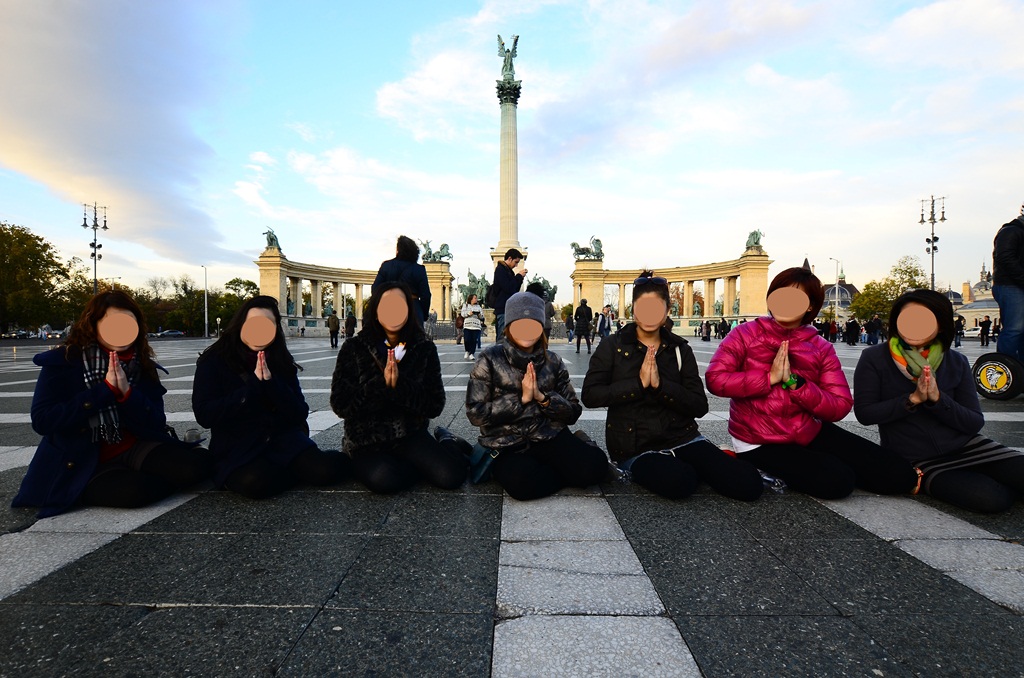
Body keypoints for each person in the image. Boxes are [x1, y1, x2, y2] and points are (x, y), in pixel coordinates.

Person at [705, 267, 917, 499]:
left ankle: (817, 464)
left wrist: (795, 383)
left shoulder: (820, 346)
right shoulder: (745, 334)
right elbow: (716, 380)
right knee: (838, 481)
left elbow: (840, 405)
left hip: (807, 430)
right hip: (759, 439)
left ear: (810, 306)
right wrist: (769, 378)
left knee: (900, 475)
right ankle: (751, 463)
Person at [13, 290, 212, 517]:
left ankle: (186, 456)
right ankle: (84, 486)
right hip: (84, 456)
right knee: (134, 493)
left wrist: (127, 395)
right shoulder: (64, 362)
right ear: (93, 325)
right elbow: (43, 421)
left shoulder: (143, 366)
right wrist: (104, 391)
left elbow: (156, 422)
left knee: (194, 470)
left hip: (134, 446)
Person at [582, 273, 763, 501]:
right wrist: (638, 385)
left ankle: (705, 461)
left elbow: (699, 405)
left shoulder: (680, 349)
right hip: (635, 446)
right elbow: (590, 395)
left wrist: (660, 387)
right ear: (632, 310)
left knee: (748, 485)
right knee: (679, 483)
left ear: (667, 310)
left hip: (683, 437)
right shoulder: (612, 346)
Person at [854, 290, 1024, 512]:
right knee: (991, 499)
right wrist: (912, 399)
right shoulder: (875, 358)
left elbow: (974, 422)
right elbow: (865, 414)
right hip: (918, 458)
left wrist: (937, 399)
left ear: (941, 325)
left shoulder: (956, 361)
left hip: (968, 447)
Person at [193, 296, 349, 499]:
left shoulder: (279, 358)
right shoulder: (213, 361)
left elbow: (300, 412)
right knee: (255, 483)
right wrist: (252, 389)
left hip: (282, 440)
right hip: (238, 446)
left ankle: (327, 462)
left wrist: (272, 384)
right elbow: (205, 415)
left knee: (325, 471)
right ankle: (293, 472)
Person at [466, 292, 607, 500]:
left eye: (532, 322)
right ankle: (560, 471)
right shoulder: (489, 359)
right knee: (522, 485)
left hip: (548, 434)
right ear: (509, 326)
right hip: (506, 442)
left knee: (595, 467)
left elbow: (574, 411)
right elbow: (475, 413)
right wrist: (520, 400)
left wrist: (543, 398)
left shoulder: (553, 361)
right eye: (519, 323)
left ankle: (562, 462)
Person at [330, 281, 467, 493]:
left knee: (451, 476)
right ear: (375, 311)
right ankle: (404, 467)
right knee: (384, 480)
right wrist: (380, 386)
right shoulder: (354, 348)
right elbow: (341, 404)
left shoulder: (423, 347)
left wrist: (400, 386)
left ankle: (447, 440)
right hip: (367, 437)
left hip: (409, 434)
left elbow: (434, 405)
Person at [373, 235, 431, 325]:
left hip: (389, 307)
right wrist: (423, 314)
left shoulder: (386, 266)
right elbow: (426, 295)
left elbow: (375, 289)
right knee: (416, 338)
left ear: (398, 250)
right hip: (413, 309)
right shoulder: (419, 269)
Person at [992, 204, 1024, 362]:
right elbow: (1005, 258)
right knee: (1014, 329)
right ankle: (1006, 367)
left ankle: (1019, 372)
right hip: (1010, 285)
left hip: (1017, 284)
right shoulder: (1011, 231)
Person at [492, 248, 527, 341]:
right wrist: (518, 276)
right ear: (510, 258)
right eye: (516, 262)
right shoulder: (500, 270)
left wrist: (520, 278)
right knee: (502, 337)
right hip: (503, 308)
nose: (516, 265)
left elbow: (514, 290)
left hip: (508, 308)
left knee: (508, 338)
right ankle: (499, 355)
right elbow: (508, 288)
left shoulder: (507, 271)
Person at [462, 293, 484, 361]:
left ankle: (472, 353)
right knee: (467, 339)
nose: (476, 299)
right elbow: (463, 314)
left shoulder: (478, 307)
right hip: (467, 325)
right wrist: (469, 313)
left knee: (474, 340)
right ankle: (467, 351)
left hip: (476, 326)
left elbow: (482, 316)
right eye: (475, 298)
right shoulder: (465, 306)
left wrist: (479, 315)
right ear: (471, 299)